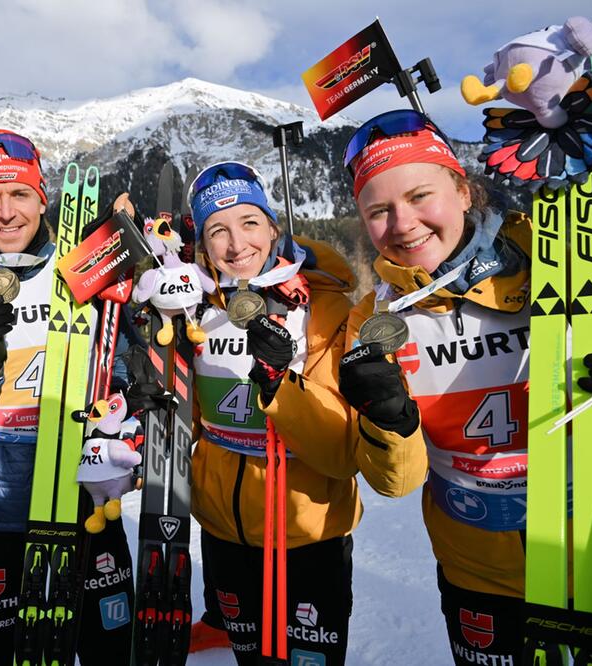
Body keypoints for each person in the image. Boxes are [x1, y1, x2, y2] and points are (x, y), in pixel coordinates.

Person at [0, 129, 138, 666]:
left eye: (20, 194)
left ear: (43, 197)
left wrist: (121, 405)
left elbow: (125, 353)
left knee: (108, 646)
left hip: (82, 501)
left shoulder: (82, 264)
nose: (7, 211)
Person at [335, 109, 542, 664]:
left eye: (421, 196)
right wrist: (390, 422)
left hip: (591, 553)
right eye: (379, 211)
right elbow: (396, 484)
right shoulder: (372, 319)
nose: (402, 224)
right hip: (477, 570)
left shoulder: (558, 264)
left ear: (465, 192)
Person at [186, 161, 361, 665]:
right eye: (218, 230)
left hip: (308, 533)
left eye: (249, 223)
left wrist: (282, 386)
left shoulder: (322, 308)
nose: (236, 245)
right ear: (202, 244)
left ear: (274, 228)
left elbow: (342, 452)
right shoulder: (196, 308)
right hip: (223, 528)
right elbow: (193, 418)